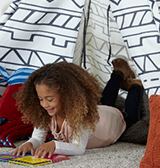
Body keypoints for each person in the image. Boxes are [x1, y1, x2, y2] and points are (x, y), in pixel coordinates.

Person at [11, 59, 142, 158]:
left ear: (66, 96)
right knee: (104, 100)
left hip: (112, 121)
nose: (45, 104)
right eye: (40, 99)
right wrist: (28, 144)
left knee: (130, 116)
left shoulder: (80, 117)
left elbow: (79, 148)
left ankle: (135, 86)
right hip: (98, 113)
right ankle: (118, 73)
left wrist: (54, 145)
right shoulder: (45, 113)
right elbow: (37, 138)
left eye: (50, 99)